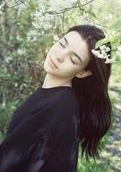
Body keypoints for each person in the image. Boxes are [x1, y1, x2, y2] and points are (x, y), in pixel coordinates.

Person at [0, 24, 112, 172]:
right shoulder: (55, 95)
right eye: (62, 44)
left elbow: (10, 163)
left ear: (83, 73)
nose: (60, 56)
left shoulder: (59, 108)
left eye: (73, 59)